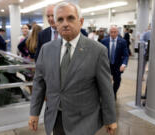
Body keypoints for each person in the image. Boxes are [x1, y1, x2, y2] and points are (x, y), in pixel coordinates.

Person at [29, 2, 117, 135]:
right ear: (55, 24)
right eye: (60, 19)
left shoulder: (97, 51)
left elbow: (106, 89)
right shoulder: (46, 49)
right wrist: (34, 112)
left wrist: (110, 118)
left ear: (80, 22)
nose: (65, 23)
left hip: (84, 120)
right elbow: (39, 84)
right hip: (55, 117)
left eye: (70, 18)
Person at [101, 26, 129, 100]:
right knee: (106, 81)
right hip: (107, 65)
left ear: (117, 32)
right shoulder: (104, 41)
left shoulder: (122, 42)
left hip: (117, 66)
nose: (113, 34)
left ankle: (113, 93)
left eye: (115, 32)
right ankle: (107, 94)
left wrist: (123, 64)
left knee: (117, 81)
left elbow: (126, 55)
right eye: (111, 32)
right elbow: (100, 55)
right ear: (109, 32)